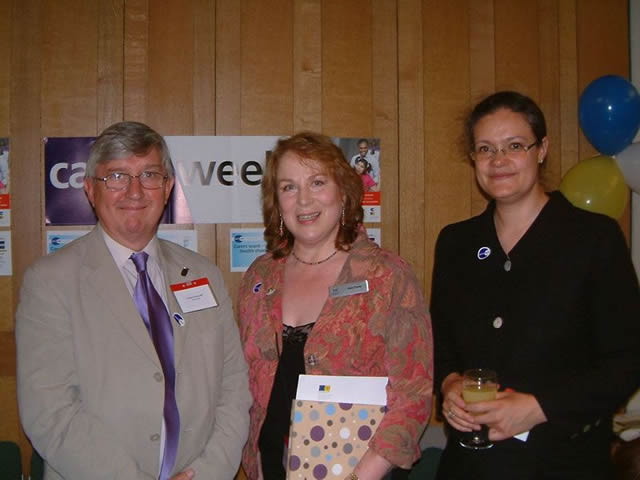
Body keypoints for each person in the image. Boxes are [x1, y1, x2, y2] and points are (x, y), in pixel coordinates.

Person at [16, 121, 251, 480]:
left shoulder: (204, 274)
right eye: (116, 177)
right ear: (90, 190)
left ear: (168, 187)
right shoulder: (50, 282)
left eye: (150, 175)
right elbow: (50, 411)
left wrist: (209, 472)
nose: (135, 191)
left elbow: (234, 388)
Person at [430, 91, 640, 479]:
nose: (499, 161)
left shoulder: (593, 239)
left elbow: (628, 361)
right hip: (471, 466)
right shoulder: (456, 243)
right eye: (485, 148)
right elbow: (440, 345)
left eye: (514, 146)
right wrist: (450, 382)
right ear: (473, 158)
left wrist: (539, 407)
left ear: (541, 150)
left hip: (564, 461)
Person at [238, 132, 432, 480]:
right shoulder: (259, 277)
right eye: (289, 187)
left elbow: (413, 392)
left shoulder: (386, 275)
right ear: (276, 200)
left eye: (317, 182)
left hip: (360, 473)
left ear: (343, 192)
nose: (304, 200)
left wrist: (365, 473)